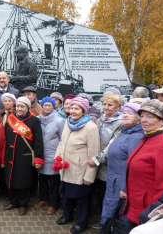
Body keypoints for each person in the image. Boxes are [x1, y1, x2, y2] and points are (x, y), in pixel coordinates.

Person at [122, 99, 163, 229]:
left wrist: (153, 213)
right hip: (136, 206)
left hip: (147, 212)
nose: (143, 120)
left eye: (150, 116)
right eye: (142, 116)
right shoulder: (147, 138)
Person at [55, 97, 100, 234]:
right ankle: (67, 216)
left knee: (81, 199)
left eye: (77, 108)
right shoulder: (68, 123)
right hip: (65, 168)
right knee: (66, 195)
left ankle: (82, 223)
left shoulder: (91, 127)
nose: (73, 111)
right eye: (71, 108)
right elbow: (62, 143)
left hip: (80, 170)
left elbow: (94, 153)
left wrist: (90, 176)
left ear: (84, 110)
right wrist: (57, 159)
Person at [100, 103, 144, 226]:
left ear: (138, 119)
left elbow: (135, 166)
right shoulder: (126, 133)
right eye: (124, 112)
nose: (125, 115)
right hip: (113, 182)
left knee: (117, 215)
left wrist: (125, 188)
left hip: (121, 186)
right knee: (110, 211)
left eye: (130, 113)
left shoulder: (135, 138)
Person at [3, 97, 44, 216]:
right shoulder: (11, 118)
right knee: (10, 179)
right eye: (18, 106)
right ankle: (13, 202)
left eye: (22, 106)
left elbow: (38, 141)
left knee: (23, 182)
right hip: (10, 155)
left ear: (27, 108)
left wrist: (38, 158)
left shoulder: (34, 120)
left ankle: (23, 204)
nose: (19, 109)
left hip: (25, 157)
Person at [88, 93, 123, 229]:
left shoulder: (120, 123)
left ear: (118, 107)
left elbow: (113, 145)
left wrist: (98, 159)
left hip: (106, 165)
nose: (106, 107)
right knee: (95, 191)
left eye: (110, 105)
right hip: (94, 162)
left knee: (105, 194)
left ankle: (106, 222)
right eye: (104, 104)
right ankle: (96, 215)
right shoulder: (101, 119)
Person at [34, 96, 65, 215]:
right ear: (42, 106)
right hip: (41, 155)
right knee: (42, 179)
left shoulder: (59, 120)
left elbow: (62, 139)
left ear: (53, 106)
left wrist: (60, 156)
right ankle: (43, 199)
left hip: (53, 155)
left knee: (54, 182)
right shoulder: (37, 119)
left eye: (49, 105)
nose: (47, 107)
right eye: (45, 105)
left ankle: (53, 204)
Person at [0, 92, 17, 199]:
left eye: (9, 101)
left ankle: (10, 191)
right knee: (1, 168)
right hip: (0, 143)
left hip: (11, 144)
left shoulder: (16, 113)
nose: (7, 103)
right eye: (5, 101)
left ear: (13, 102)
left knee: (9, 168)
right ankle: (2, 189)